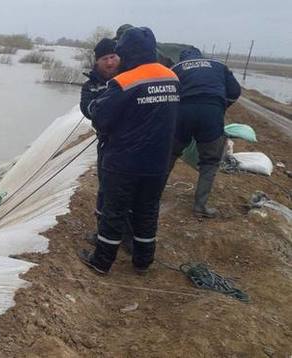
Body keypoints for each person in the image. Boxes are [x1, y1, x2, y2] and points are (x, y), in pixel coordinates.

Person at [80, 27, 180, 274]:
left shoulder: (124, 82)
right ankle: (143, 262)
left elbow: (101, 118)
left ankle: (101, 262)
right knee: (147, 211)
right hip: (158, 161)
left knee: (114, 213)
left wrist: (95, 107)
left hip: (125, 161)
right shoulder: (171, 77)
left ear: (127, 52)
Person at [168, 47, 241, 218]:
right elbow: (235, 92)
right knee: (209, 162)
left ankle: (152, 197)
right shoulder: (218, 66)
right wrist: (220, 107)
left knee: (169, 154)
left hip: (183, 113)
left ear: (182, 58)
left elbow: (168, 94)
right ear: (201, 56)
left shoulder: (176, 69)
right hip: (211, 114)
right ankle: (200, 207)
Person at [80, 38, 134, 253]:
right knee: (107, 190)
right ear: (97, 62)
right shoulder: (91, 84)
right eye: (105, 59)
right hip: (109, 145)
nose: (110, 62)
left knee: (133, 193)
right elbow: (88, 109)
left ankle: (130, 238)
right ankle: (103, 232)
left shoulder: (132, 77)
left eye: (113, 57)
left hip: (135, 144)